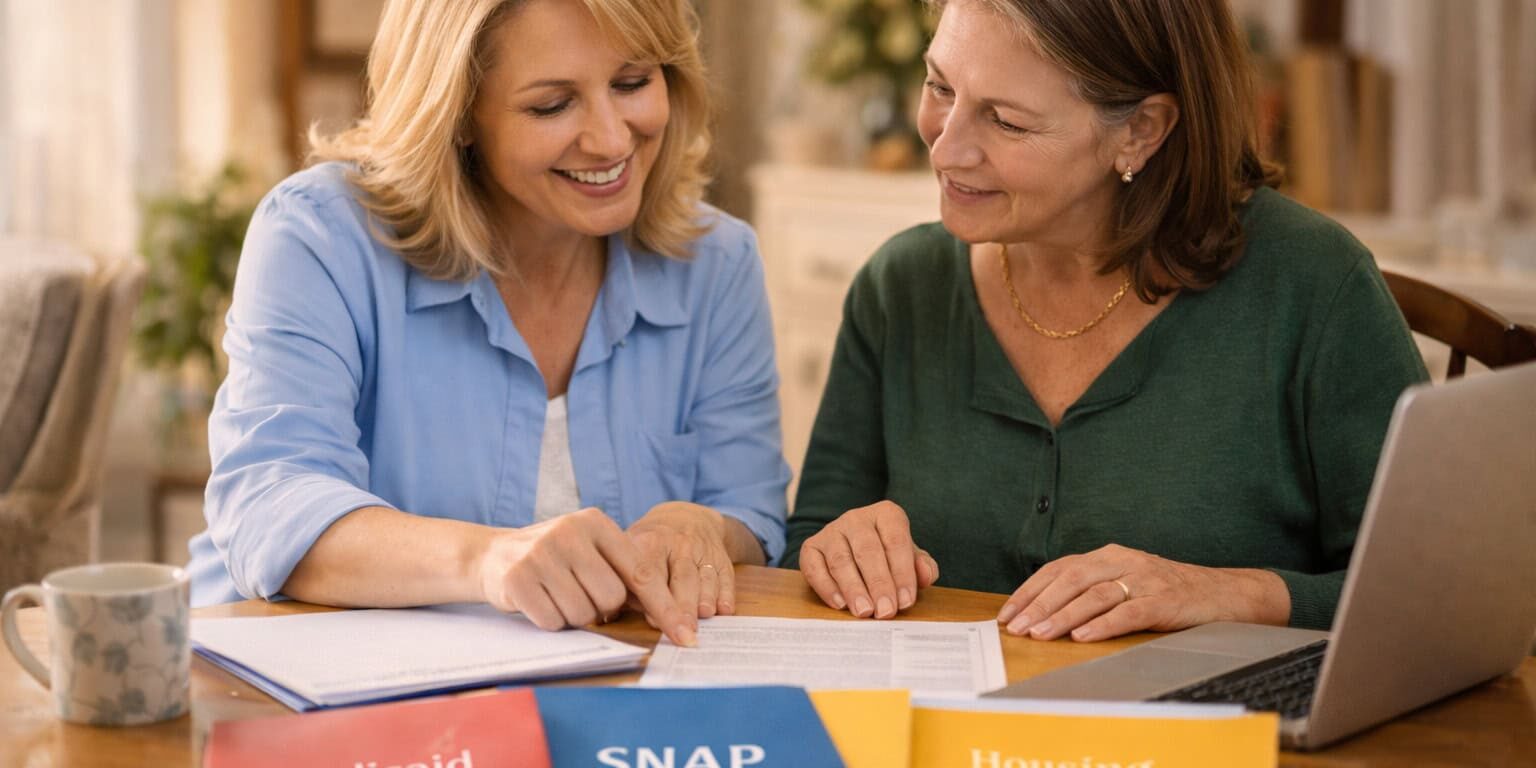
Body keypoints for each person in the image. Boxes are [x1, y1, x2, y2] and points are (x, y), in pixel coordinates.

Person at [784, 0, 1427, 643]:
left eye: (1005, 121)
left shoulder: (1313, 285)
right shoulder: (901, 288)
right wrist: (835, 551)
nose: (946, 148)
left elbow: (1431, 595)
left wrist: (1229, 592)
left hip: (1216, 737)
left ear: (1141, 130)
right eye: (939, 87)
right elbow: (807, 545)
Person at [187, 0, 790, 647]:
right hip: (304, 691)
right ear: (461, 114)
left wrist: (697, 525)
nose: (613, 139)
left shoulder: (717, 262)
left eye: (632, 83)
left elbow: (750, 512)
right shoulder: (320, 234)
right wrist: (486, 560)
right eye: (552, 104)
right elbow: (268, 503)